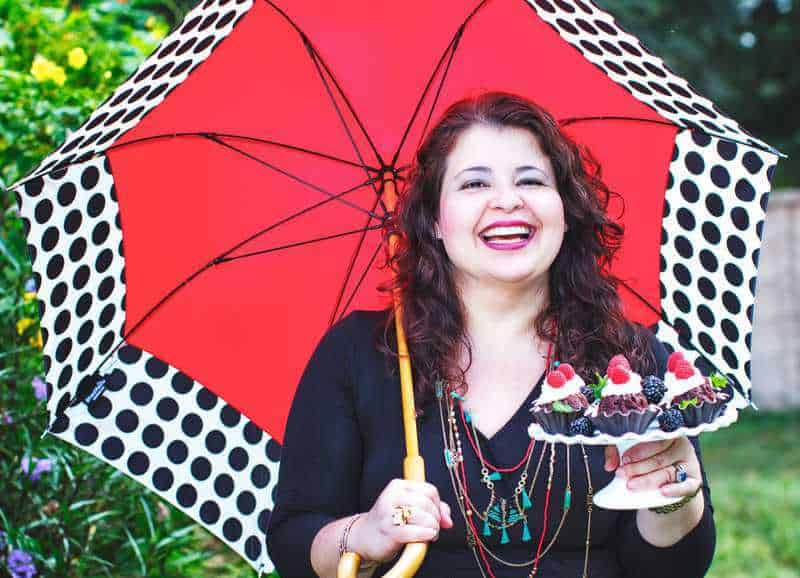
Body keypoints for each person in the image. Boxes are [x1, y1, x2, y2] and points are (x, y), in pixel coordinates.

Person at [266, 92, 715, 577]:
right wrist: (365, 534)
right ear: (435, 220)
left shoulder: (628, 360)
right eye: (474, 183)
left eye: (531, 180)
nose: (507, 200)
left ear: (565, 212)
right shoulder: (359, 354)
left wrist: (674, 495)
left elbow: (677, 569)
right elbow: (294, 541)